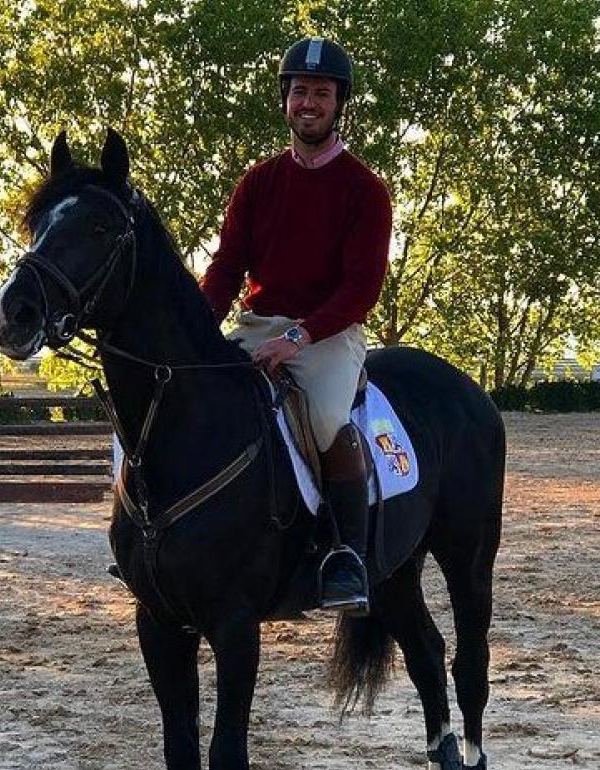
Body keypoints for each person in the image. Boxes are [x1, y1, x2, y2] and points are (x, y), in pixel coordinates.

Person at [199, 36, 392, 614]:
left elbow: (361, 289)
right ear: (286, 100)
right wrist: (199, 328)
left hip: (328, 334)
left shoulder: (365, 189)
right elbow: (227, 265)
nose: (310, 102)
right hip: (258, 324)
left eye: (322, 94)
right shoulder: (257, 183)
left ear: (339, 105)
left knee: (326, 418)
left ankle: (347, 557)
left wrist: (299, 337)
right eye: (301, 91)